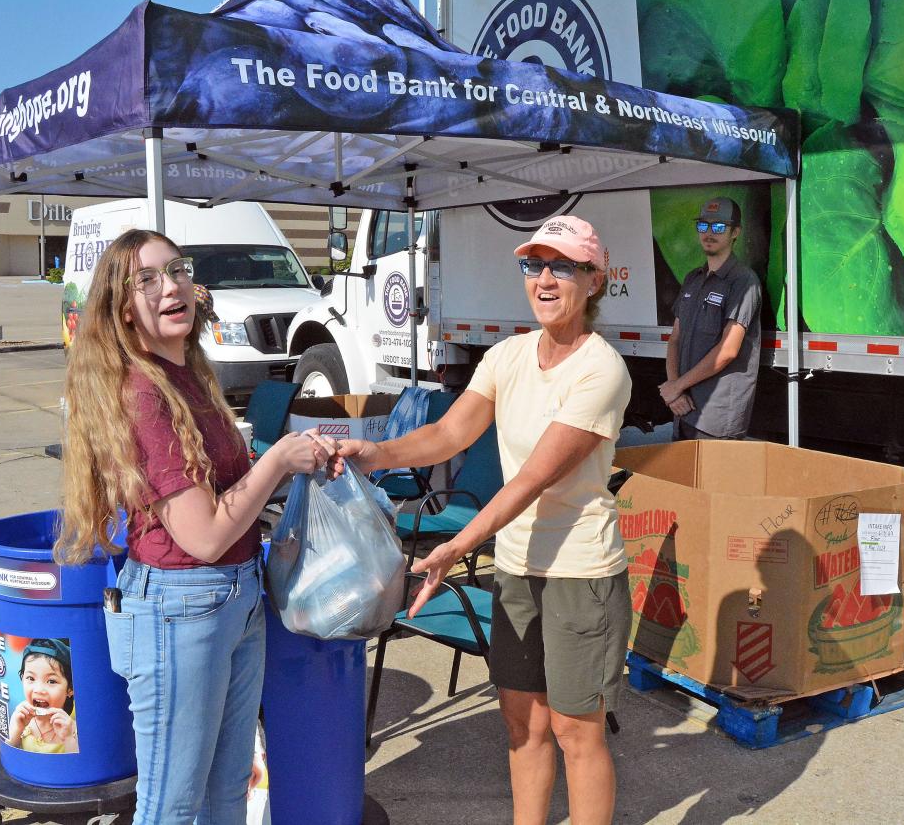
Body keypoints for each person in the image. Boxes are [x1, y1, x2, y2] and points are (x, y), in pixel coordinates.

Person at [335, 215, 632, 825]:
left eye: (563, 267)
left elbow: (532, 479)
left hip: (580, 572)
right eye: (534, 265)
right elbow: (449, 432)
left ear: (595, 281)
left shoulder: (602, 370)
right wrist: (377, 453)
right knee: (523, 725)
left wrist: (454, 548)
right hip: (518, 570)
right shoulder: (508, 355)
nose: (545, 280)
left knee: (579, 731)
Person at [54, 229, 335, 825]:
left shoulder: (189, 374)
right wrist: (279, 459)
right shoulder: (143, 395)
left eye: (176, 270)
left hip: (234, 596)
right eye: (147, 278)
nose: (170, 286)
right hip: (181, 607)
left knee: (227, 792)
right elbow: (203, 535)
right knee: (172, 806)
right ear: (121, 309)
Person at [659, 197, 762, 439]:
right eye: (703, 226)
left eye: (718, 227)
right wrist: (674, 389)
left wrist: (677, 386)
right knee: (680, 477)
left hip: (716, 418)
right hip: (683, 409)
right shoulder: (692, 279)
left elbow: (728, 350)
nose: (709, 233)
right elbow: (675, 339)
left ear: (735, 232)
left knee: (714, 478)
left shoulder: (743, 281)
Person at [7, 638, 78, 754]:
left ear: (70, 689)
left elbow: (81, 765)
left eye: (51, 681)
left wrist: (69, 738)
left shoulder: (73, 728)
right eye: (31, 678)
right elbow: (9, 756)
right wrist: (15, 733)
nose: (39, 689)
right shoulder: (19, 720)